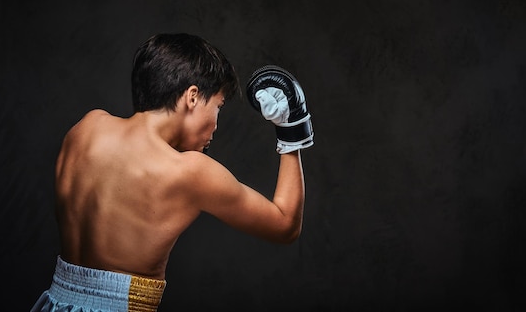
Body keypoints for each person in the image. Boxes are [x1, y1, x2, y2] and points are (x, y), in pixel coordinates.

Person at [30, 33, 314, 312]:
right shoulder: (189, 171)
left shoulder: (86, 128)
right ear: (192, 97)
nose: (216, 126)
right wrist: (291, 130)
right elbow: (285, 225)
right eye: (218, 106)